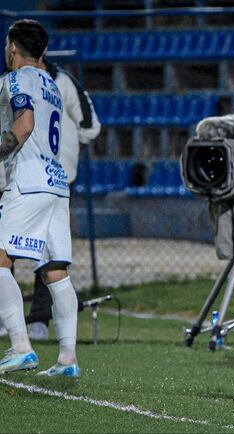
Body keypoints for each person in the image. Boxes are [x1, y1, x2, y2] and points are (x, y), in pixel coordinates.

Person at [0, 19, 81, 377]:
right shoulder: (52, 84)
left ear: (13, 48)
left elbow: (24, 125)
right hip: (57, 183)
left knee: (0, 258)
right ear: (43, 51)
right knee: (55, 271)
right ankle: (67, 359)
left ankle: (20, 346)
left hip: (29, 180)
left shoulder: (16, 79)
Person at [25, 56, 101, 341]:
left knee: (46, 248)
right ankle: (38, 322)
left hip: (53, 178)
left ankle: (40, 319)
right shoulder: (16, 83)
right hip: (23, 176)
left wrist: (67, 149)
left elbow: (91, 126)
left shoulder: (64, 83)